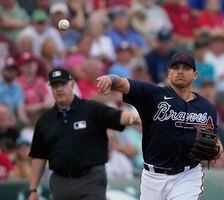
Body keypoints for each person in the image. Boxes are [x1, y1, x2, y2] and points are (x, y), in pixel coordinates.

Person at [97, 52, 223, 200]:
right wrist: (110, 79)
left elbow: (215, 144)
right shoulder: (153, 94)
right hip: (153, 177)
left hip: (187, 175)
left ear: (195, 74)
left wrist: (216, 150)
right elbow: (123, 83)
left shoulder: (206, 107)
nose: (180, 71)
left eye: (186, 68)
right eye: (175, 68)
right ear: (169, 73)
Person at [28, 68, 140, 200]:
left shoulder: (90, 109)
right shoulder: (45, 120)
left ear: (72, 85)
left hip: (90, 179)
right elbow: (39, 157)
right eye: (54, 86)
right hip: (60, 181)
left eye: (62, 84)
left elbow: (116, 116)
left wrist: (133, 118)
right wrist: (33, 189)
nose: (59, 89)